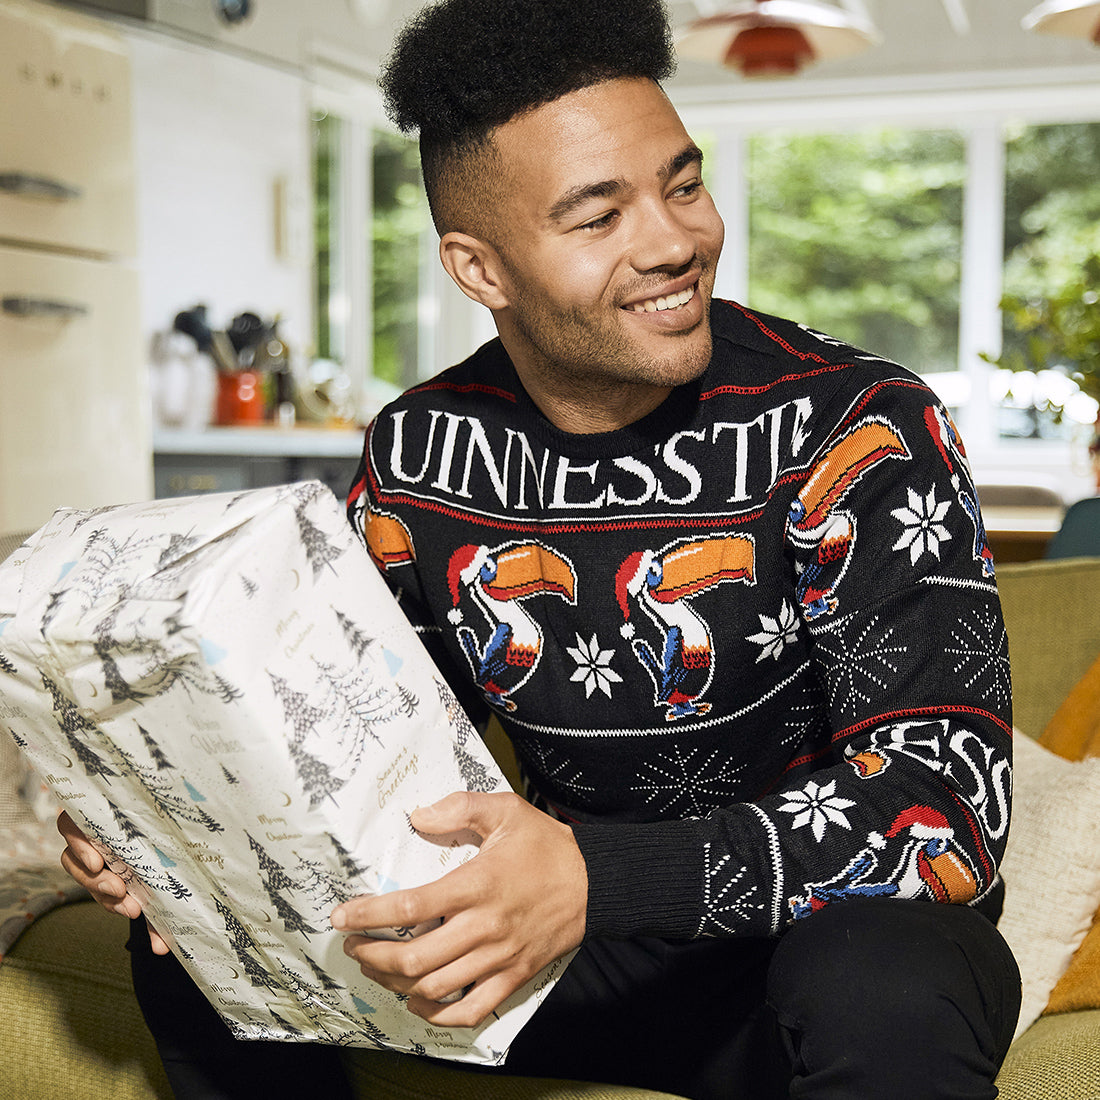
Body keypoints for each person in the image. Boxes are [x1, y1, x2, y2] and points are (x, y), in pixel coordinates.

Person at [60, 0, 1021, 1097]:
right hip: (569, 961)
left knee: (879, 976)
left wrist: (589, 874)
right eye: (595, 216)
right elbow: (347, 751)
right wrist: (171, 824)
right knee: (198, 942)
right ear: (480, 268)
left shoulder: (856, 424)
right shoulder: (422, 449)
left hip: (805, 955)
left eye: (681, 182)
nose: (672, 240)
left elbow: (942, 813)